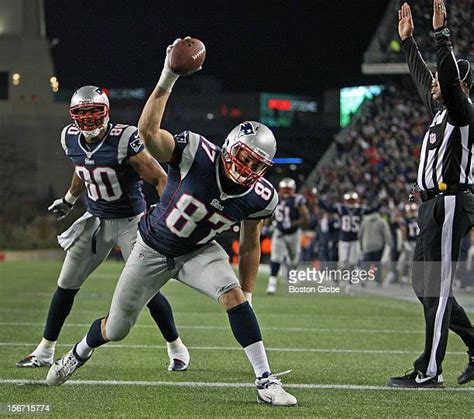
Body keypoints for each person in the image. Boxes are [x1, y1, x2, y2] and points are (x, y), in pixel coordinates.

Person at [45, 39, 297, 406]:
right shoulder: (196, 152)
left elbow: (250, 244)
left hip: (198, 251)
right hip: (152, 245)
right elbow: (148, 134)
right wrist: (168, 75)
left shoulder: (261, 196)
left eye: (257, 165)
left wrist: (249, 294)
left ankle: (265, 381)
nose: (248, 169)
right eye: (244, 157)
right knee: (116, 328)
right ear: (229, 147)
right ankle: (80, 351)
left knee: (233, 296)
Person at [16, 86, 189, 372]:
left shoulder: (124, 138)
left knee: (146, 287)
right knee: (66, 284)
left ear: (106, 111)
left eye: (93, 112)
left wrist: (163, 217)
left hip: (131, 221)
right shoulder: (69, 137)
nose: (87, 120)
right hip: (95, 221)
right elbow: (82, 167)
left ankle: (177, 347)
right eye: (80, 114)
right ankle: (45, 350)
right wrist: (70, 199)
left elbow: (159, 178)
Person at [389, 1, 474, 387]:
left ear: (459, 84)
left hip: (452, 201)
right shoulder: (440, 110)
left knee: (437, 289)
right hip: (432, 204)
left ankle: (430, 370)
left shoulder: (464, 112)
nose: (435, 83)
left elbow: (447, 85)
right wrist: (409, 44)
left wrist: (441, 36)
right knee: (424, 287)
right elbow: (427, 80)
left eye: (444, 79)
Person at [265, 178, 309, 294]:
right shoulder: (275, 198)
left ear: (293, 189)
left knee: (293, 259)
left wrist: (293, 223)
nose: (286, 191)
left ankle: (291, 275)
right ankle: (272, 284)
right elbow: (270, 214)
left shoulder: (297, 200)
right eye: (284, 189)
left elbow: (305, 218)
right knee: (276, 257)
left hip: (294, 233)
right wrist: (266, 225)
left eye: (288, 189)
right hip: (279, 232)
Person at [358, 210, 393, 285]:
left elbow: (360, 234)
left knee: (366, 263)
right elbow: (387, 233)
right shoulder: (381, 221)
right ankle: (378, 281)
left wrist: (361, 245)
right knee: (377, 264)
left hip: (366, 245)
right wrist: (390, 243)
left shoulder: (365, 221)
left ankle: (363, 278)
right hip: (378, 245)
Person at [396, 203, 419, 285]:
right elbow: (403, 230)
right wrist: (405, 242)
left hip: (416, 242)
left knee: (415, 260)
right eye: (411, 210)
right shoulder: (405, 220)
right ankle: (404, 276)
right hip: (409, 242)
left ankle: (413, 277)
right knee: (406, 260)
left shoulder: (417, 218)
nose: (413, 212)